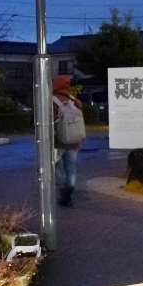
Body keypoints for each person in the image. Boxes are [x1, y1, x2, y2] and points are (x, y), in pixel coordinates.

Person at [52, 75, 85, 207]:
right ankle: (70, 188)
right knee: (71, 167)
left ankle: (64, 191)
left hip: (58, 142)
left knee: (57, 166)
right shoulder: (76, 101)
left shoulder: (52, 101)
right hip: (74, 141)